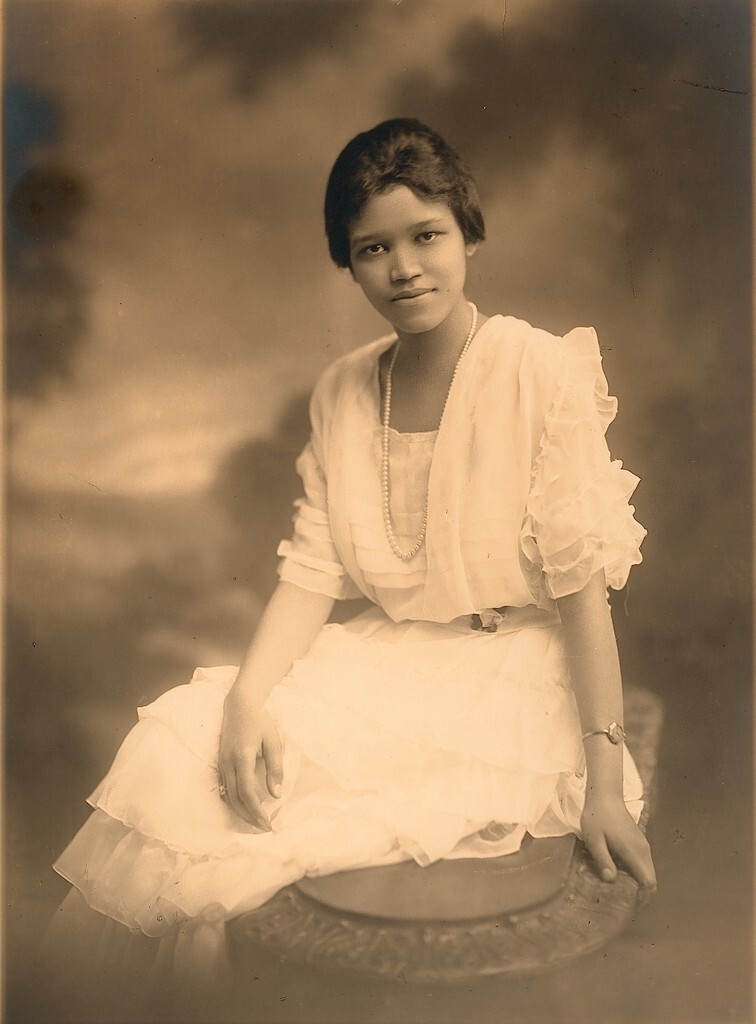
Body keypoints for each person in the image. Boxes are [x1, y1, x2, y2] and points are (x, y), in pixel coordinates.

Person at [49, 118, 656, 989]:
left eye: (426, 236)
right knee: (188, 742)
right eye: (373, 248)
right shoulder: (342, 389)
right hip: (394, 658)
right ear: (348, 260)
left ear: (468, 235)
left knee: (282, 834)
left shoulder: (535, 371)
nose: (404, 267)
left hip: (518, 674)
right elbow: (311, 571)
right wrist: (249, 702)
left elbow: (582, 591)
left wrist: (603, 777)